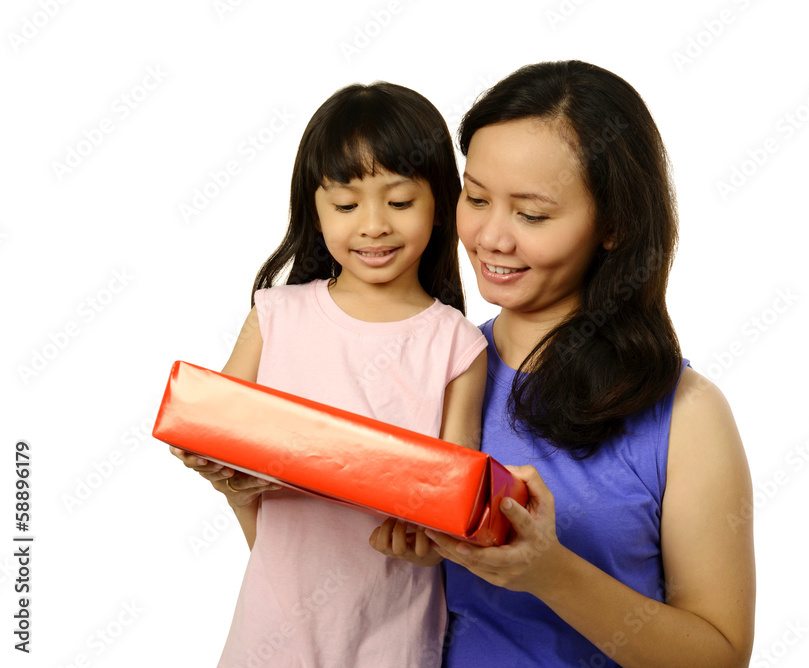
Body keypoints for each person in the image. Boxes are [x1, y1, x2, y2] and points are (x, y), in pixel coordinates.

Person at [383, 60, 756, 667]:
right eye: (475, 198)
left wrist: (549, 572)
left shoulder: (686, 416)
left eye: (532, 214)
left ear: (613, 223)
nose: (491, 237)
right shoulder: (429, 370)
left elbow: (720, 656)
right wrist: (246, 495)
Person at [170, 81, 488, 667]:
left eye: (399, 202)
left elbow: (455, 504)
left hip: (393, 633)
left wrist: (432, 543)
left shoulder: (456, 345)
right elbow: (216, 433)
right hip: (270, 629)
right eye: (346, 205)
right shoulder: (275, 315)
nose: (372, 226)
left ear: (440, 202)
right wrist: (208, 458)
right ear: (314, 212)